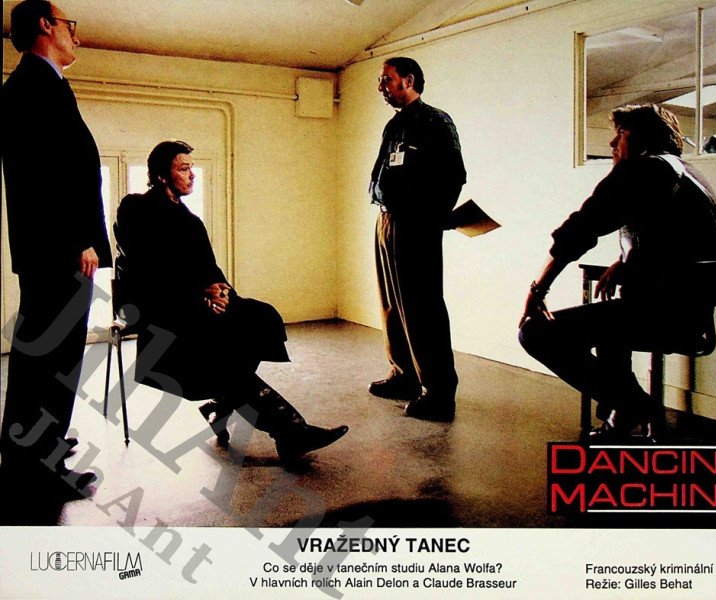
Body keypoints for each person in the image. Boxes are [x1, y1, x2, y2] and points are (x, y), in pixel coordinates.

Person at [113, 140, 348, 462]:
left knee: (260, 317)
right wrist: (201, 294)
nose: (192, 175)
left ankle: (221, 405)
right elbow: (149, 267)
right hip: (157, 305)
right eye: (184, 169)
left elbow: (208, 267)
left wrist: (222, 291)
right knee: (219, 349)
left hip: (194, 301)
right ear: (161, 175)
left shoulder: (190, 220)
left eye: (192, 168)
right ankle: (290, 431)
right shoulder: (135, 208)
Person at [518, 104, 716, 440]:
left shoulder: (643, 170)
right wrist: (626, 260)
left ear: (644, 139)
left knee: (535, 333)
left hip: (660, 313)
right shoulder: (687, 172)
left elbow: (578, 231)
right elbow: (675, 234)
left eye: (621, 134)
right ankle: (621, 416)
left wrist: (537, 290)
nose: (612, 143)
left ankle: (634, 406)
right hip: (692, 316)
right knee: (609, 321)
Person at [0, 0, 112, 499]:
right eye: (70, 25)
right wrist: (79, 240)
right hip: (60, 250)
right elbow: (45, 175)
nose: (77, 35)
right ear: (46, 25)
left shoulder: (38, 84)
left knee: (40, 358)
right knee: (51, 362)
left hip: (50, 249)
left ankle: (29, 449)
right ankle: (38, 469)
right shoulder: (34, 86)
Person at [367, 57, 467, 422]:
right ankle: (403, 375)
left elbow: (454, 176)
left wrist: (432, 218)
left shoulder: (436, 122)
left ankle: (439, 392)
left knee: (422, 307)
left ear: (408, 81)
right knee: (392, 303)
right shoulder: (395, 125)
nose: (381, 87)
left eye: (387, 79)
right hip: (387, 219)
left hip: (416, 224)